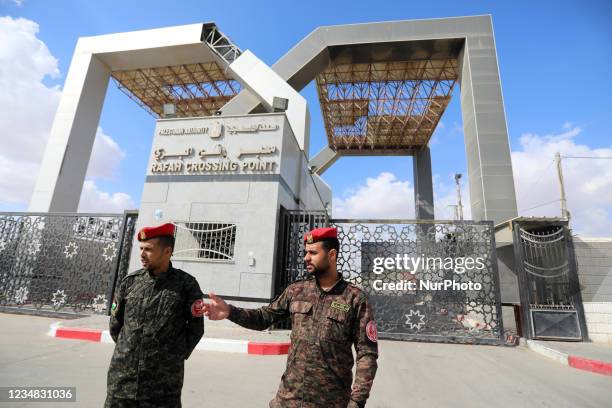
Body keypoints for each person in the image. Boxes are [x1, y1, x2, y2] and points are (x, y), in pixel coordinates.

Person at [205, 227, 378, 408]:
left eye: (313, 252)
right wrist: (230, 312)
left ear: (332, 255)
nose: (306, 258)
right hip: (288, 400)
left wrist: (357, 401)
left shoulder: (354, 298)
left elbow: (367, 353)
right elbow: (263, 317)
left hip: (331, 402)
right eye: (305, 252)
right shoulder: (297, 290)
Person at [105, 223, 205, 408]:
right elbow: (115, 325)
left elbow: (195, 328)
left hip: (163, 388)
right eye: (141, 248)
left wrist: (172, 356)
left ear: (167, 251)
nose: (142, 254)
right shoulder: (130, 283)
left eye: (149, 249)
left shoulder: (186, 285)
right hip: (122, 382)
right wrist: (129, 350)